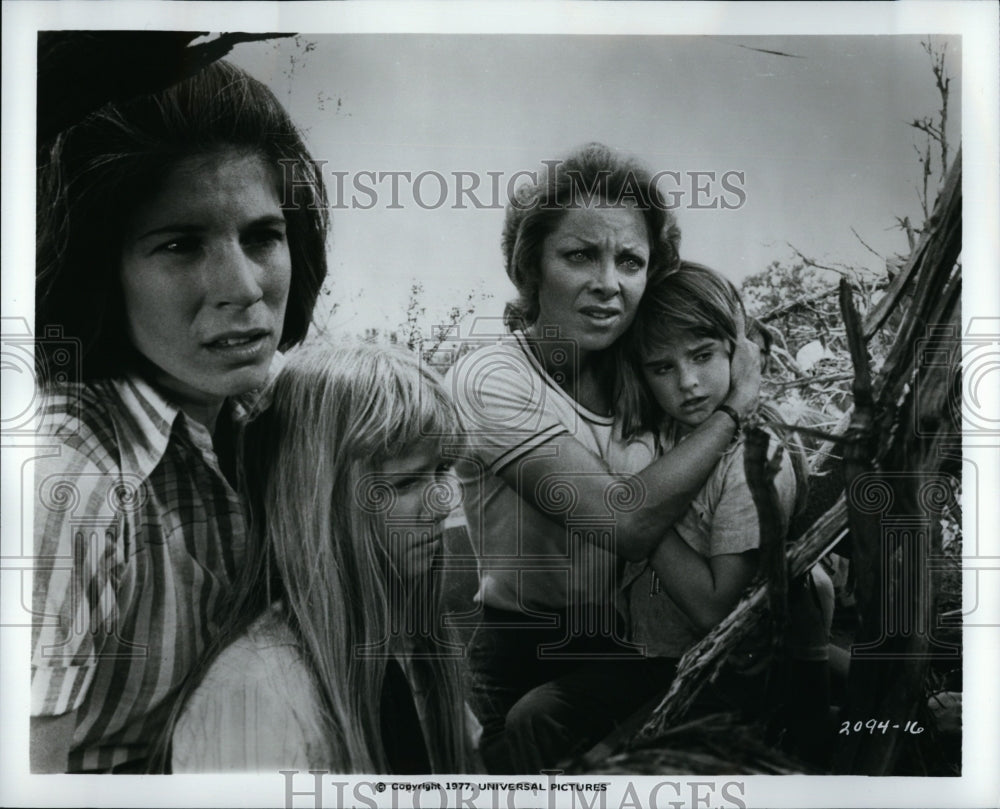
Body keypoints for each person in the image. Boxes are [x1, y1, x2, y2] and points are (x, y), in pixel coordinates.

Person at [31, 58, 328, 773]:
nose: (242, 286)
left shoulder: (264, 414)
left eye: (262, 236)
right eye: (179, 244)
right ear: (100, 271)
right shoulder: (68, 474)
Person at [444, 144, 762, 773]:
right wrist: (735, 410)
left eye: (631, 261)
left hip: (634, 637)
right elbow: (624, 522)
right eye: (580, 255)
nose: (608, 283)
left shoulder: (650, 370)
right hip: (517, 641)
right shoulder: (492, 377)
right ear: (530, 267)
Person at [508, 263, 832, 769]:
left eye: (703, 356)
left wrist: (632, 512)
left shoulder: (755, 460)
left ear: (738, 353)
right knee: (533, 716)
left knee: (602, 761)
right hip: (647, 654)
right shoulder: (659, 437)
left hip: (726, 670)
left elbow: (713, 612)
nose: (688, 383)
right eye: (662, 368)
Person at [167, 343, 477, 773]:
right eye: (405, 482)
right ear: (315, 500)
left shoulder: (406, 642)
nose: (443, 503)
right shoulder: (253, 698)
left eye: (442, 469)